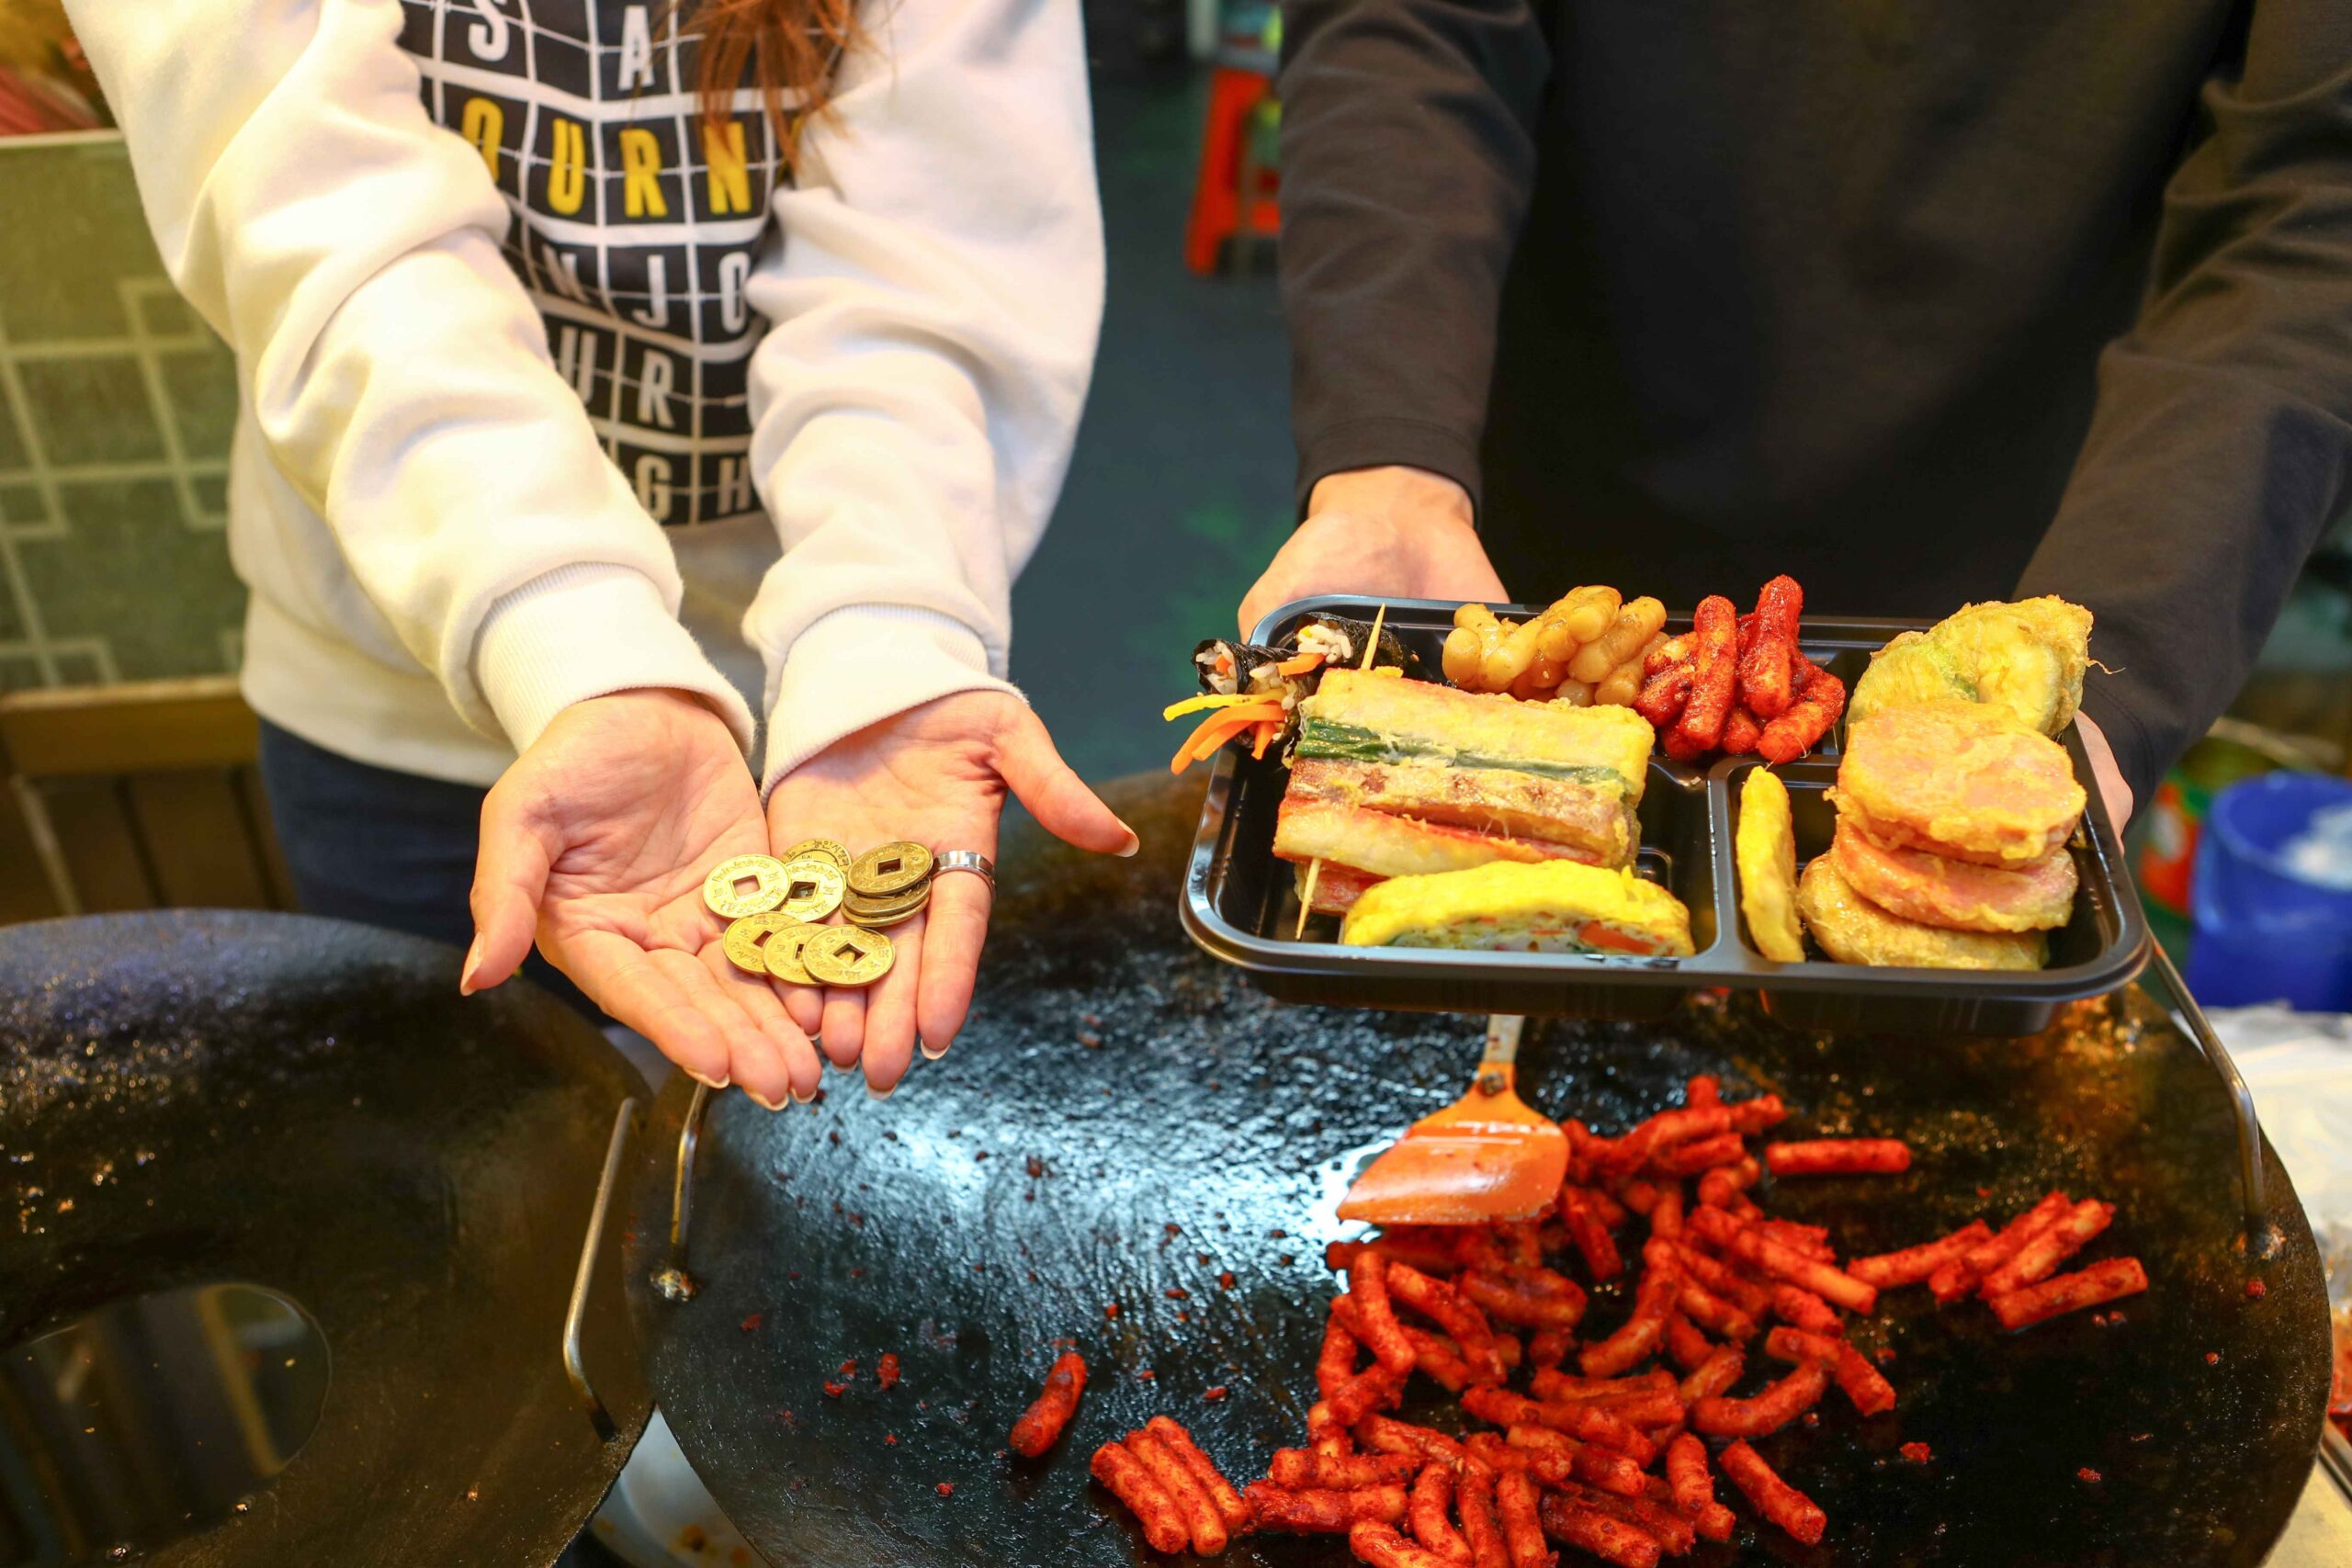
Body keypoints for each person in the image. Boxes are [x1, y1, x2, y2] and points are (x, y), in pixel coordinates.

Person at [68, 0, 1135, 1106]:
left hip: (822, 721)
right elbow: (306, 202)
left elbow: (929, 258)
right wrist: (572, 643)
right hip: (387, 683)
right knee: (459, 1163)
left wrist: (884, 641)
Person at [1245, 0, 2352, 822]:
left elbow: (2314, 200)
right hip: (1524, 481)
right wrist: (1390, 461)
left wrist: (2124, 662)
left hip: (2018, 529)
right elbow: (1405, 19)